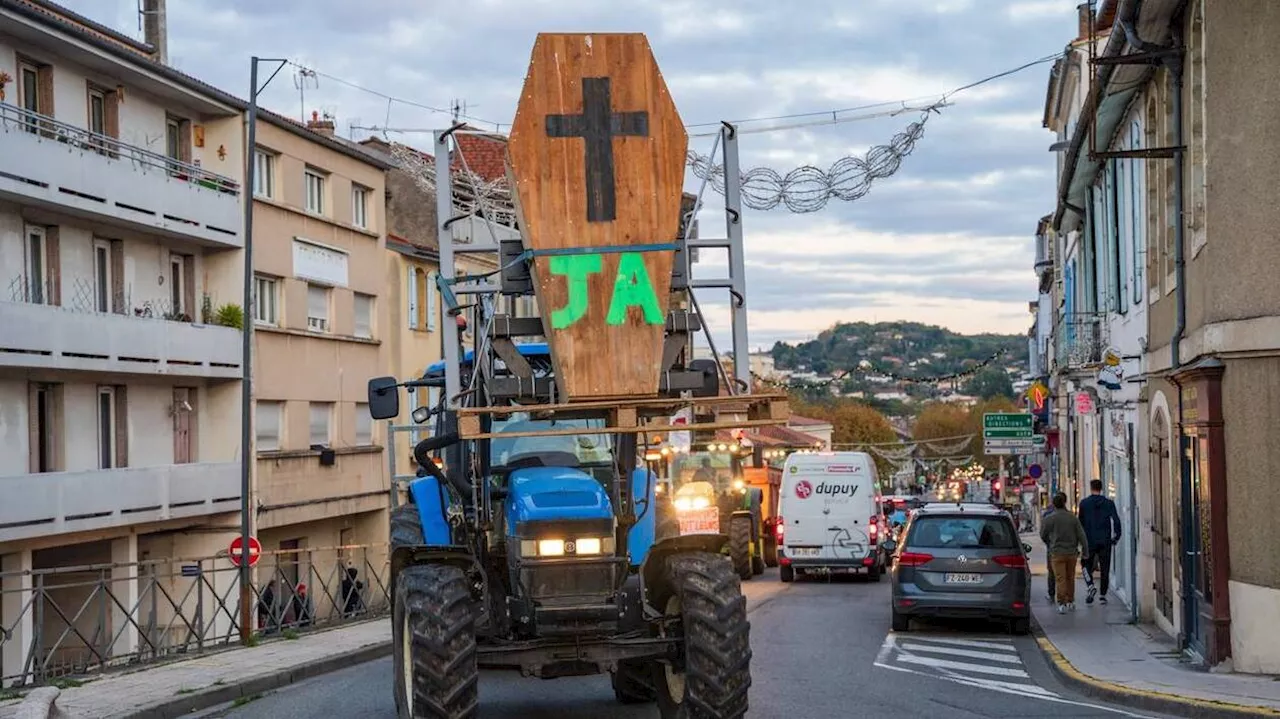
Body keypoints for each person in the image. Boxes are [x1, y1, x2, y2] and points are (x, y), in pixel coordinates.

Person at [1040, 491, 1089, 614]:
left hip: (1057, 553)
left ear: (1054, 504)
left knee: (1060, 578)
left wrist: (1049, 543)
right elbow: (1081, 535)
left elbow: (1043, 534)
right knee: (1070, 577)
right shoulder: (1072, 518)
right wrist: (1085, 550)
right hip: (1071, 553)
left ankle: (1061, 602)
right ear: (1064, 503)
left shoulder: (1049, 518)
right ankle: (1070, 601)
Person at [1078, 479, 1123, 605]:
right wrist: (1116, 536)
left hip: (1089, 540)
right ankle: (1103, 595)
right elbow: (1116, 520)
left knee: (1085, 564)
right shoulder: (1108, 503)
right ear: (1101, 488)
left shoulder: (1084, 503)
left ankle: (1090, 585)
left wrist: (1080, 540)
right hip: (1105, 540)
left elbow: (1080, 523)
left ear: (1091, 488)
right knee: (1105, 567)